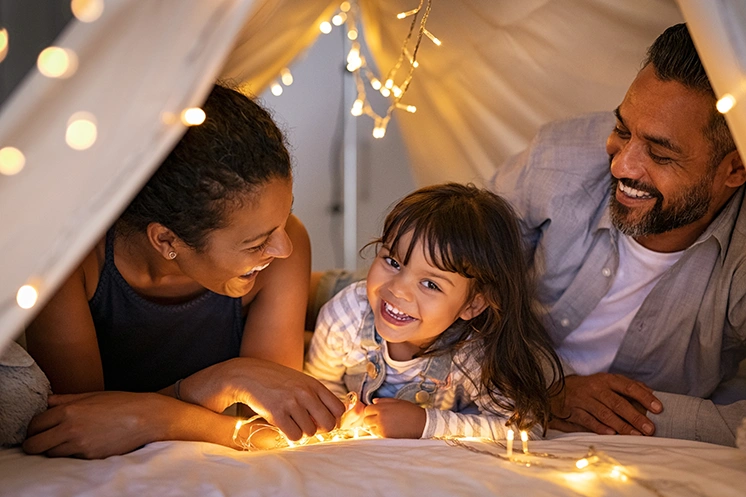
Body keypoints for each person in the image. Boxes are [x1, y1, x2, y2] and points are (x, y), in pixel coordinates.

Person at [21, 84, 345, 459]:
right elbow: (76, 424)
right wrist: (225, 379)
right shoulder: (67, 260)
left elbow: (271, 428)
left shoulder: (287, 249)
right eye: (256, 243)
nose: (282, 247)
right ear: (165, 240)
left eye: (285, 216)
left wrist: (150, 417)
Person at [491, 23, 746, 446]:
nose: (621, 166)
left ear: (734, 170)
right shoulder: (558, 156)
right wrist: (547, 390)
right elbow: (454, 279)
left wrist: (630, 419)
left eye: (661, 154)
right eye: (623, 130)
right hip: (497, 410)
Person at [304, 183, 563, 439]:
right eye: (393, 262)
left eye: (430, 284)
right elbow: (320, 386)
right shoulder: (346, 315)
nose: (398, 290)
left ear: (472, 304)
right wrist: (340, 412)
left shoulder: (473, 351)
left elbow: (525, 427)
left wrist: (426, 423)